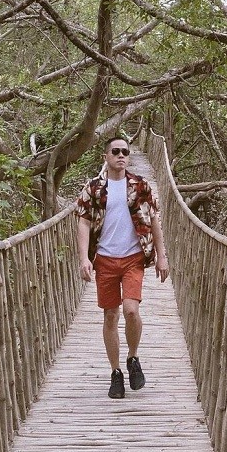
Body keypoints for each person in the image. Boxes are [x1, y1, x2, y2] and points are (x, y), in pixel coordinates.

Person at [76, 136, 169, 399]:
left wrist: (162, 256)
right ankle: (116, 372)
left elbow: (154, 221)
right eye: (115, 151)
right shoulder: (94, 188)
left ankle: (133, 357)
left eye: (125, 152)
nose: (121, 155)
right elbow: (83, 222)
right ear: (106, 156)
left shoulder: (140, 186)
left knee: (130, 310)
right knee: (110, 316)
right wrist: (84, 258)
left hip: (133, 258)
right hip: (104, 259)